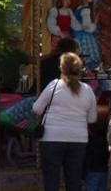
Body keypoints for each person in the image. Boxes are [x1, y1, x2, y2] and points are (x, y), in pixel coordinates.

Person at [32, 51, 97, 191]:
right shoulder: (87, 90)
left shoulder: (54, 85)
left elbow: (37, 108)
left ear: (61, 68)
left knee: (51, 181)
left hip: (52, 137)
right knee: (74, 181)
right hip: (78, 139)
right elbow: (92, 118)